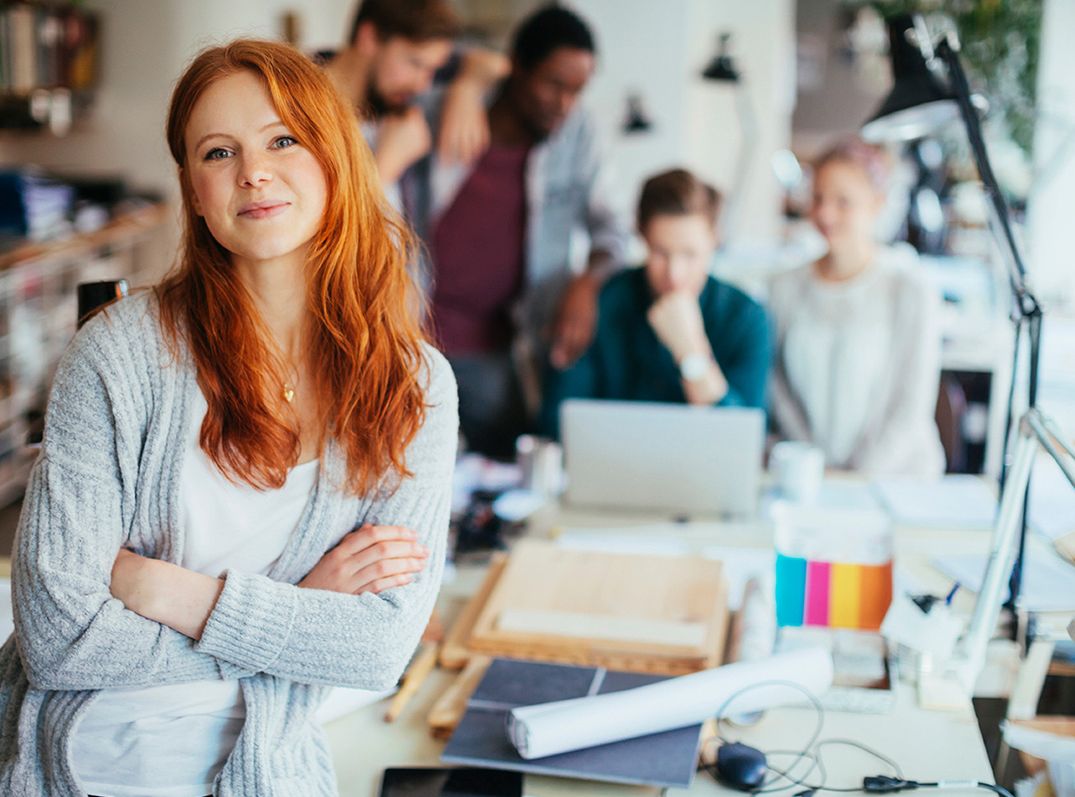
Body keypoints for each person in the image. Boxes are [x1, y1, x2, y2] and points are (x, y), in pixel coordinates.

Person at [0, 40, 457, 796]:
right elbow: (57, 639)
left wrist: (166, 591)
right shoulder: (118, 354)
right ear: (194, 190)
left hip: (270, 773)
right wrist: (303, 614)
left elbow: (378, 650)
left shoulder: (415, 387)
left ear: (336, 158)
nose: (253, 172)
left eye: (283, 140)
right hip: (82, 771)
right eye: (218, 152)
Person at [409, 3, 629, 458]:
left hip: (496, 350)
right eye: (553, 84)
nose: (564, 104)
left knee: (506, 466)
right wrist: (469, 81)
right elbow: (415, 60)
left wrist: (587, 283)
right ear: (516, 67)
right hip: (411, 340)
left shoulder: (578, 133)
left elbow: (613, 231)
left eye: (577, 91)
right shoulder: (442, 107)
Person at [542, 168, 771, 440]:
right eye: (660, 252)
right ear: (642, 237)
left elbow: (742, 439)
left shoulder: (747, 319)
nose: (674, 274)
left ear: (714, 239)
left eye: (689, 254)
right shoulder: (601, 303)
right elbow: (558, 421)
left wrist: (691, 353)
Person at [768, 139, 944, 477]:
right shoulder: (783, 286)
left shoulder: (910, 289)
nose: (825, 214)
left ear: (877, 203)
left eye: (843, 202)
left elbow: (911, 405)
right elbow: (777, 388)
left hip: (896, 478)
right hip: (814, 477)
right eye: (818, 198)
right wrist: (817, 465)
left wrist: (857, 478)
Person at [319, 0, 508, 203]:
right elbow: (322, 219)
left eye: (433, 69)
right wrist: (384, 167)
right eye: (416, 64)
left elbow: (494, 63)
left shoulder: (396, 104)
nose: (422, 86)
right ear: (369, 38)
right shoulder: (301, 109)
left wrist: (467, 88)